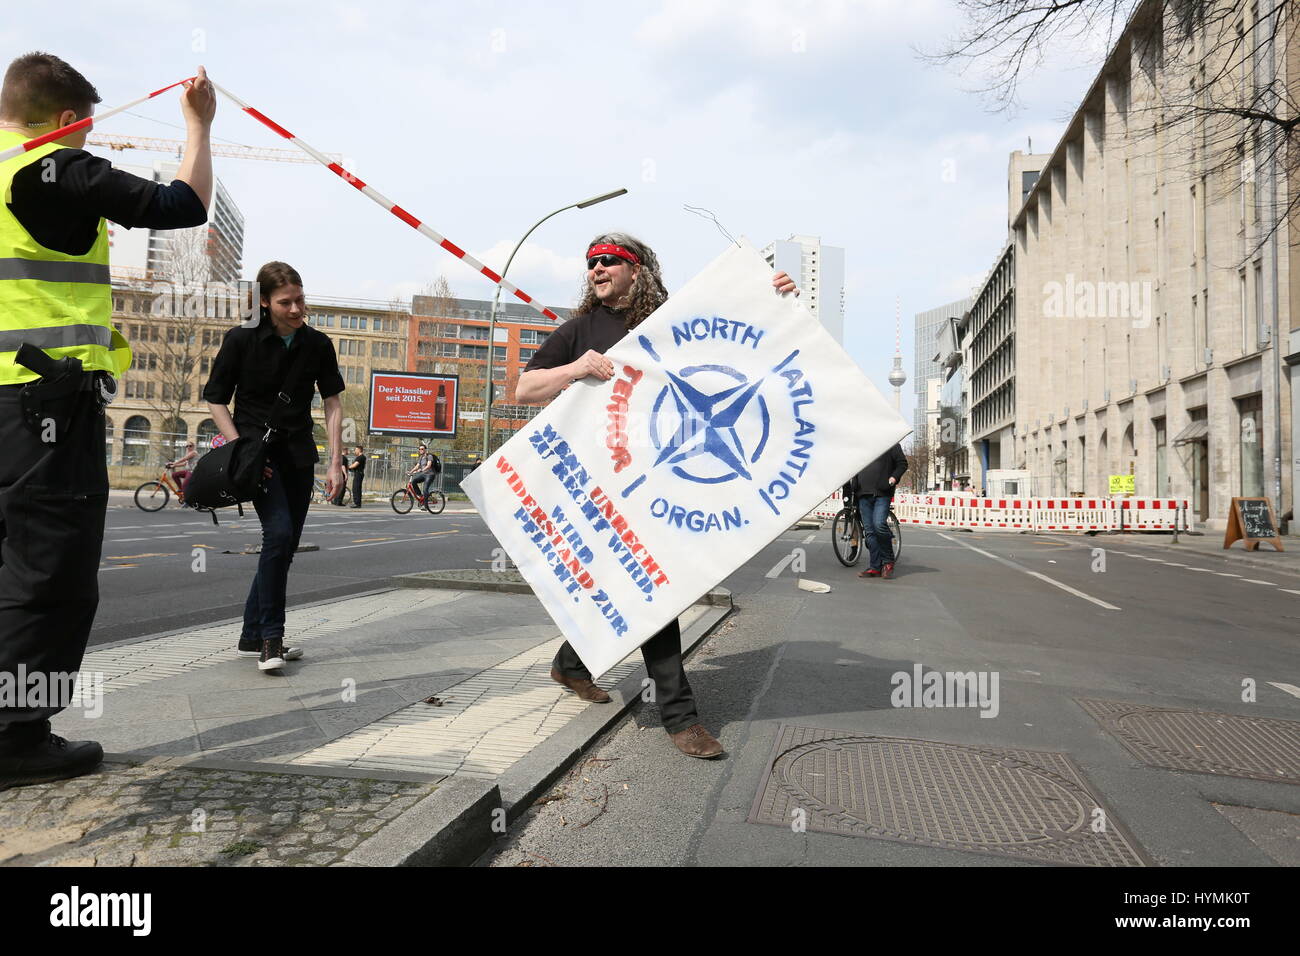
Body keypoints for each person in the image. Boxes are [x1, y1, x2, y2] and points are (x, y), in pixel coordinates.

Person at [0, 54, 213, 790]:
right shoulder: (52, 169)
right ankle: (16, 736)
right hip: (42, 406)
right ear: (64, 123)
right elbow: (183, 205)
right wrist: (198, 125)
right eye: (84, 132)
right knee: (49, 574)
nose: (88, 146)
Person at [515, 232, 797, 759]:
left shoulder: (674, 319)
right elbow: (523, 389)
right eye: (591, 262)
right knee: (637, 586)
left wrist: (776, 294)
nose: (597, 268)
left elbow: (743, 339)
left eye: (609, 261)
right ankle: (677, 716)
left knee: (641, 585)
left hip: (665, 480)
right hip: (601, 481)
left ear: (636, 269)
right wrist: (576, 368)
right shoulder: (580, 330)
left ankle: (578, 668)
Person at [203, 261, 345, 673]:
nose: (297, 308)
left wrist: (335, 463)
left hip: (299, 455)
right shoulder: (240, 340)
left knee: (282, 547)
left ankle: (251, 632)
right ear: (264, 302)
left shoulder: (317, 345)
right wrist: (239, 449)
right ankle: (270, 639)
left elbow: (333, 404)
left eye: (300, 299)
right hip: (257, 458)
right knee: (279, 535)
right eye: (287, 302)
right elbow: (216, 398)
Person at [853, 442, 907, 580]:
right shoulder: (862, 444)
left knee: (879, 525)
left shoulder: (891, 441)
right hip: (863, 494)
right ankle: (875, 567)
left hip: (882, 493)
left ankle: (888, 562)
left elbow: (902, 463)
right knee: (870, 531)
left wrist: (892, 479)